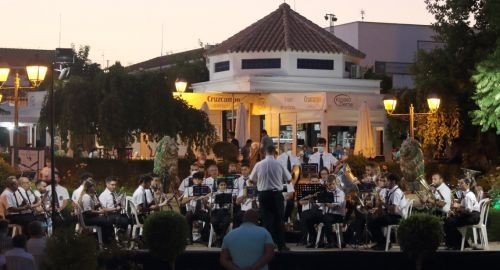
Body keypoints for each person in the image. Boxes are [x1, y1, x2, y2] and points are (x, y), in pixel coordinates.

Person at [250, 145, 291, 251]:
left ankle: (269, 245)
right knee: (279, 220)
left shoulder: (259, 164)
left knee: (266, 220)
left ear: (264, 153)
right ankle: (281, 246)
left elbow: (251, 179)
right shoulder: (279, 164)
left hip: (263, 195)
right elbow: (289, 178)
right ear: (274, 152)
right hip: (276, 194)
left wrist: (260, 182)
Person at [368, 173, 407, 250]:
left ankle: (383, 243)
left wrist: (383, 203)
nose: (386, 183)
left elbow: (394, 210)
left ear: (393, 182)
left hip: (397, 217)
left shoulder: (396, 192)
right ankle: (382, 243)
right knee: (374, 221)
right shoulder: (392, 191)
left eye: (387, 181)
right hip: (394, 216)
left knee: (372, 224)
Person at [444, 177, 480, 250]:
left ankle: (458, 245)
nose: (459, 185)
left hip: (473, 216)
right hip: (471, 215)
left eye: (461, 183)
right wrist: (457, 205)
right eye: (459, 183)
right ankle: (455, 244)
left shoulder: (468, 196)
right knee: (448, 220)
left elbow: (468, 210)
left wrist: (458, 207)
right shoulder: (465, 194)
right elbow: (465, 207)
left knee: (450, 222)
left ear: (467, 184)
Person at [78, 179, 114, 244]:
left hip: (90, 217)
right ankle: (105, 241)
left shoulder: (91, 196)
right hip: (87, 219)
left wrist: (97, 206)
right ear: (88, 188)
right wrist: (100, 212)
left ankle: (105, 239)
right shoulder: (86, 197)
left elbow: (91, 208)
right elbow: (88, 212)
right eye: (93, 186)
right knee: (106, 221)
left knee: (108, 220)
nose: (95, 188)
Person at [182, 172, 211, 244]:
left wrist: (205, 200)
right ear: (193, 180)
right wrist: (192, 197)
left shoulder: (206, 189)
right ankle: (189, 238)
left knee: (209, 218)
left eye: (200, 179)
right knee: (188, 217)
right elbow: (183, 202)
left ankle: (203, 237)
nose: (198, 180)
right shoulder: (188, 189)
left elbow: (209, 203)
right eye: (196, 179)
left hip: (201, 210)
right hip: (192, 210)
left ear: (202, 180)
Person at [318, 176, 346, 248]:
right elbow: (319, 205)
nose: (332, 186)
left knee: (326, 219)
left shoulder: (341, 193)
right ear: (327, 184)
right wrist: (316, 200)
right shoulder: (325, 192)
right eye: (330, 184)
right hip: (327, 214)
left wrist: (326, 203)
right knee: (311, 218)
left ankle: (331, 242)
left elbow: (335, 205)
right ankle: (317, 241)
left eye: (333, 184)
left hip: (338, 215)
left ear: (336, 183)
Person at [210, 179, 233, 247]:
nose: (223, 186)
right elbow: (210, 205)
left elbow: (231, 206)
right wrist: (211, 204)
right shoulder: (213, 194)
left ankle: (220, 238)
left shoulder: (229, 194)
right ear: (218, 186)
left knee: (226, 222)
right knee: (214, 222)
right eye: (221, 185)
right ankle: (219, 236)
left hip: (225, 212)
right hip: (216, 212)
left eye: (224, 185)